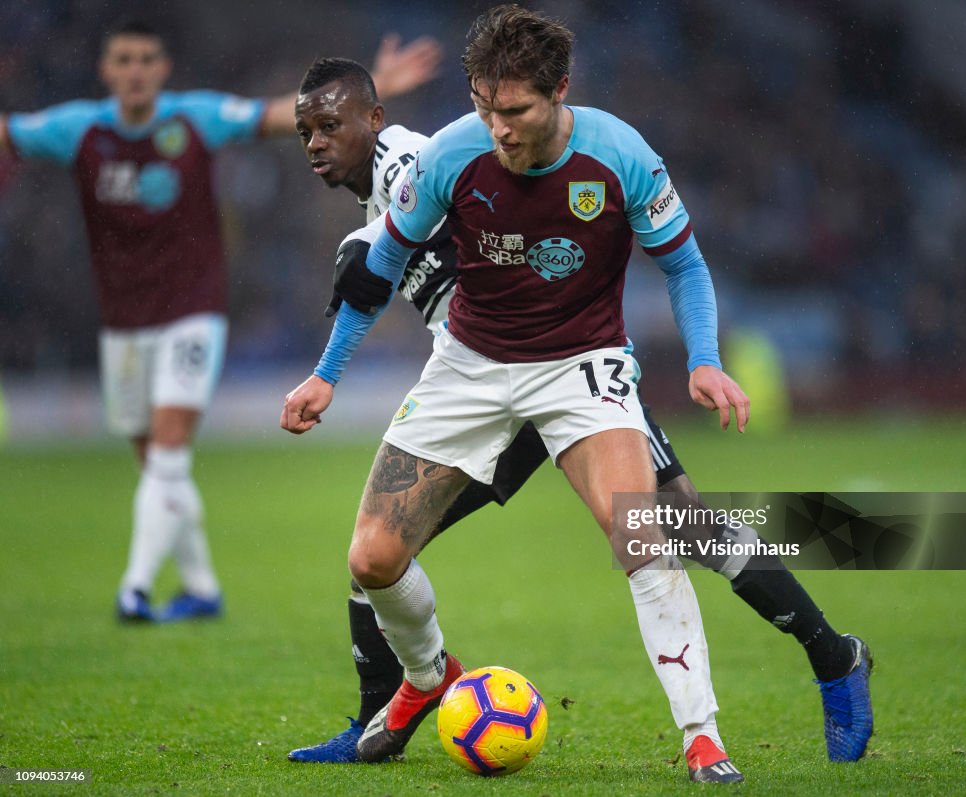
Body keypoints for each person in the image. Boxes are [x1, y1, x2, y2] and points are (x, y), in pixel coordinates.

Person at [282, 6, 871, 781]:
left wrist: (703, 356)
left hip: (581, 366)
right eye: (486, 108)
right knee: (377, 552)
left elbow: (686, 265)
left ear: (559, 92)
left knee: (662, 531)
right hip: (473, 370)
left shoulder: (599, 155)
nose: (499, 128)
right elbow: (384, 259)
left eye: (517, 110)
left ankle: (748, 708)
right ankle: (416, 685)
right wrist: (327, 372)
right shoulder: (453, 154)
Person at [0, 20, 443, 624]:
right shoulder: (79, 129)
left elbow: (283, 120)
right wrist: (327, 374)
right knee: (161, 466)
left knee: (173, 457)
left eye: (145, 59)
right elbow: (371, 285)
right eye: (122, 60)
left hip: (192, 311)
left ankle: (133, 588)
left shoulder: (195, 120)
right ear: (107, 71)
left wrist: (370, 97)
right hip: (124, 322)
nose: (134, 71)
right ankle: (204, 587)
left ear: (161, 69)